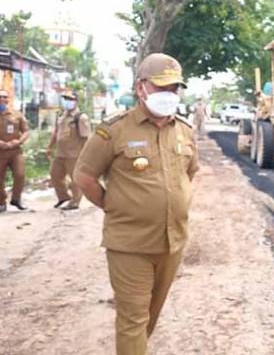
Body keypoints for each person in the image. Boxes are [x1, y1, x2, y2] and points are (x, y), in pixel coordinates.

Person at [74, 53, 199, 355]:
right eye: (161, 88)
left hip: (173, 242)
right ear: (141, 87)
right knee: (133, 318)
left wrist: (178, 202)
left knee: (149, 318)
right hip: (130, 244)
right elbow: (84, 176)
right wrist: (113, 205)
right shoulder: (114, 130)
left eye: (174, 89)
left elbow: (192, 173)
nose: (169, 95)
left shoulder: (183, 130)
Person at [47, 90, 91, 210]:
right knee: (55, 175)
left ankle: (75, 202)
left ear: (76, 101)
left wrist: (86, 156)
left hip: (74, 154)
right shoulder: (61, 116)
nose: (68, 102)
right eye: (66, 99)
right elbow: (56, 133)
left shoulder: (81, 118)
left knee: (75, 179)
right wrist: (50, 146)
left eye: (70, 99)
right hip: (60, 153)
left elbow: (86, 138)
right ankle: (64, 197)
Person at [0, 90, 29, 212]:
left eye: (4, 97)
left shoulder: (17, 115)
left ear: (8, 99)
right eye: (0, 97)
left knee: (20, 174)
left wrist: (19, 141)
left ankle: (16, 199)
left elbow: (26, 131)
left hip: (15, 151)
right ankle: (1, 202)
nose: (2, 99)